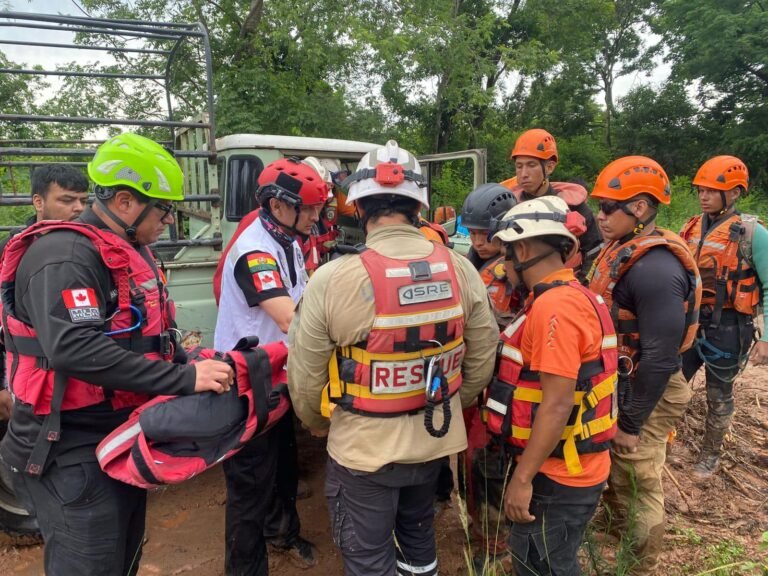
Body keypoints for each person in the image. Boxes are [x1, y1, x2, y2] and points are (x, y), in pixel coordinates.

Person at [0, 132, 234, 576]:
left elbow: (135, 340)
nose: (169, 219)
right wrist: (185, 380)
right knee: (90, 565)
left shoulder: (121, 251)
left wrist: (190, 362)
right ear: (125, 202)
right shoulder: (66, 256)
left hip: (111, 436)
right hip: (66, 446)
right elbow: (72, 347)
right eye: (164, 209)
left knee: (121, 559)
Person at [287, 140, 498, 576]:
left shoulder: (332, 279)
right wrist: (448, 404)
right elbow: (482, 353)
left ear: (359, 208)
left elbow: (305, 377)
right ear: (419, 208)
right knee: (418, 543)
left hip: (364, 451)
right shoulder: (461, 269)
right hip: (434, 439)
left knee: (367, 558)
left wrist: (318, 421)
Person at [482, 195, 618, 576]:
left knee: (542, 565)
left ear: (522, 249)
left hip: (560, 474)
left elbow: (557, 404)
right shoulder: (575, 295)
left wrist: (522, 479)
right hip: (568, 465)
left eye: (505, 254)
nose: (503, 266)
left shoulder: (554, 307)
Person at [587, 156, 701, 575]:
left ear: (639, 208)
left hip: (650, 387)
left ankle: (640, 563)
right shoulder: (618, 251)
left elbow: (660, 357)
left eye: (607, 208)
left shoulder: (656, 269)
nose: (598, 216)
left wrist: (632, 424)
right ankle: (619, 531)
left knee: (637, 474)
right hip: (622, 382)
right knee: (616, 467)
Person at [215, 157, 326, 575]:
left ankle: (284, 533)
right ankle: (246, 568)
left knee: (282, 464)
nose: (316, 216)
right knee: (248, 486)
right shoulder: (254, 251)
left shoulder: (288, 241)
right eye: (310, 208)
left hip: (277, 371)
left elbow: (305, 294)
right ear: (279, 205)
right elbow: (289, 317)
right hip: (246, 381)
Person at [679, 155, 768, 477]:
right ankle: (661, 441)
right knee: (671, 385)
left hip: (730, 327)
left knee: (719, 394)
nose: (703, 196)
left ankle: (709, 455)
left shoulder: (751, 233)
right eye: (701, 189)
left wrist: (766, 340)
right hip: (692, 322)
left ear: (733, 193)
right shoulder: (689, 227)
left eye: (712, 191)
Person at [0, 165, 91, 421]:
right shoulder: (11, 252)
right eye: (67, 200)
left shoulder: (89, 248)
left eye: (83, 200)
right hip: (25, 380)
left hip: (80, 386)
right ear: (38, 202)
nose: (78, 208)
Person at [505, 128, 602, 281]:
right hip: (524, 290)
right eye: (519, 166)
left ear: (549, 167)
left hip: (566, 286)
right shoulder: (509, 206)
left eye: (531, 165)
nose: (523, 174)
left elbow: (594, 250)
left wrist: (583, 283)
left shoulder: (573, 206)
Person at [460, 182, 520, 328]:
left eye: (485, 234)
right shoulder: (468, 262)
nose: (478, 242)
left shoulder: (521, 268)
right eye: (472, 233)